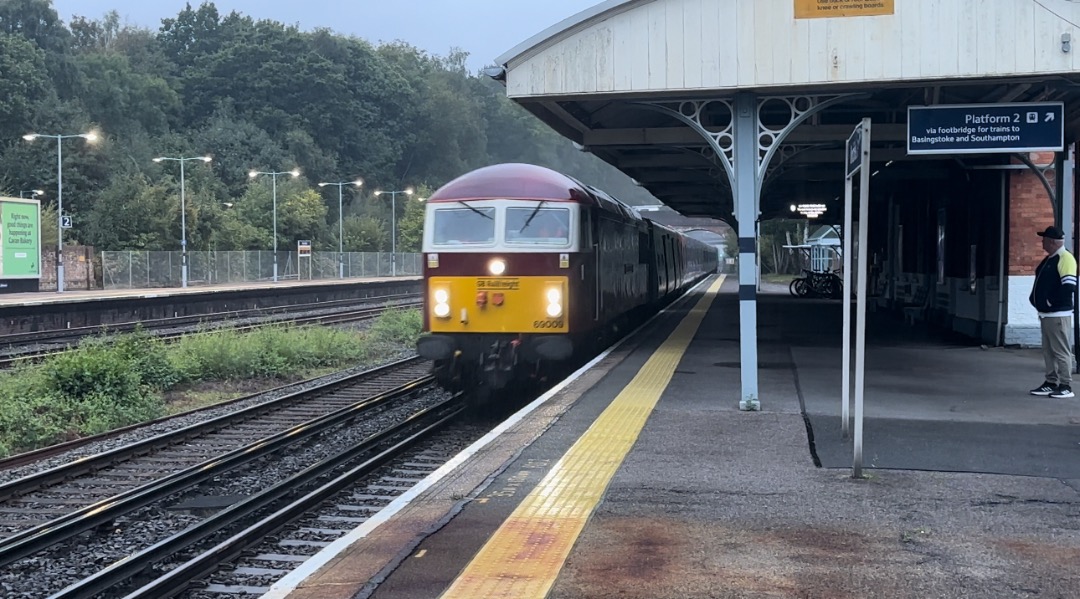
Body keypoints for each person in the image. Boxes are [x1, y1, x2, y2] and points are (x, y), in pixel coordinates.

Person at [1029, 225, 1078, 398]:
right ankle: (1051, 381)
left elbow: (1069, 286)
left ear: (1052, 242)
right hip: (1046, 314)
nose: (1042, 242)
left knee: (1061, 350)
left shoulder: (1065, 258)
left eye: (1044, 239)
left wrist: (1051, 303)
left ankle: (1066, 385)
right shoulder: (1050, 259)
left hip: (1057, 314)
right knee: (1048, 350)